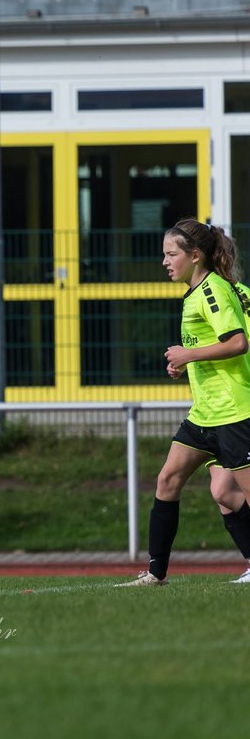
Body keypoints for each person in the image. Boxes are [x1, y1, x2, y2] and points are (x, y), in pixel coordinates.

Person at [117, 218, 250, 587]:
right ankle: (156, 574)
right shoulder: (217, 290)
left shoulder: (213, 292)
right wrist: (187, 361)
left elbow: (238, 342)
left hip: (233, 411)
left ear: (195, 255)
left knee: (231, 493)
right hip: (206, 412)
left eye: (171, 253)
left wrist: (189, 356)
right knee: (170, 479)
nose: (165, 261)